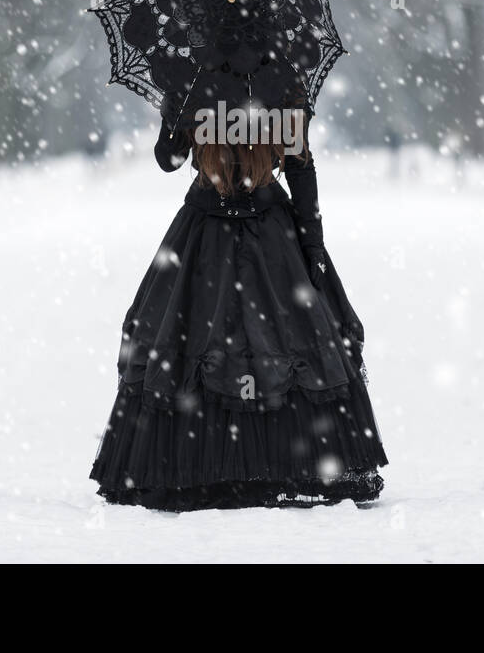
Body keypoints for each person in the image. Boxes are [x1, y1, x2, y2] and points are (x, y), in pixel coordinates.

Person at [88, 108, 387, 510]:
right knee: (283, 345)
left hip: (211, 232)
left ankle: (204, 471)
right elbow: (299, 165)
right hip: (265, 232)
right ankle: (283, 466)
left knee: (200, 346)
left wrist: (174, 109)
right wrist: (311, 243)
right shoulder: (277, 80)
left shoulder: (199, 77)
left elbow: (169, 159)